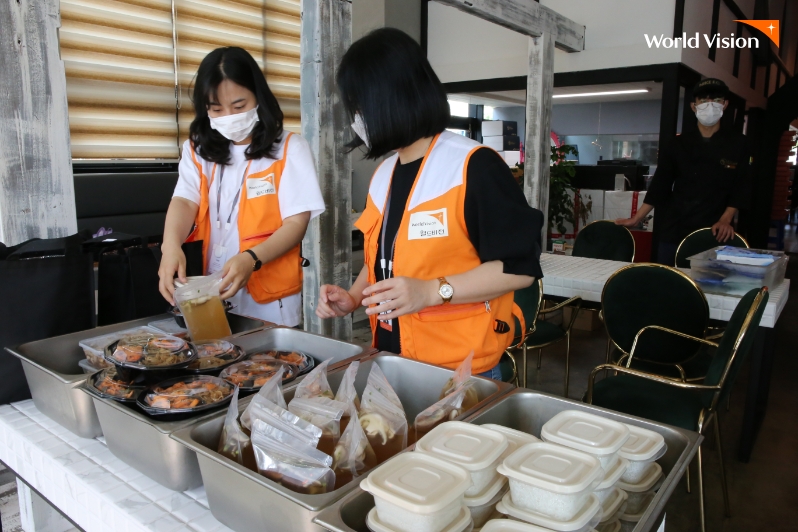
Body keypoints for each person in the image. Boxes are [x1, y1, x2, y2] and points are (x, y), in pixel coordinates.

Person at [315, 28, 543, 378]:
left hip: (460, 368)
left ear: (390, 98)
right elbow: (382, 259)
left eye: (359, 106)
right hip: (392, 355)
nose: (356, 119)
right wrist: (354, 297)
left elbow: (519, 268)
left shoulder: (473, 166)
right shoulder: (384, 174)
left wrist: (433, 291)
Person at [158, 47, 325, 326]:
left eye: (239, 106)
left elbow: (296, 223)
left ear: (259, 98)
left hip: (269, 297)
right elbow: (185, 201)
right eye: (216, 109)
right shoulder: (197, 150)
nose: (229, 116)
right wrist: (170, 246)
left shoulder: (289, 148)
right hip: (210, 288)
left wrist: (252, 259)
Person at [617, 78, 751, 265]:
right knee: (670, 282)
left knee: (712, 287)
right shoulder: (678, 144)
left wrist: (726, 219)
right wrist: (637, 218)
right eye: (703, 101)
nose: (709, 105)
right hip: (676, 228)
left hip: (716, 230)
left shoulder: (738, 144)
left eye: (716, 100)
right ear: (694, 106)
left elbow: (741, 185)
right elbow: (660, 184)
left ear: (725, 105)